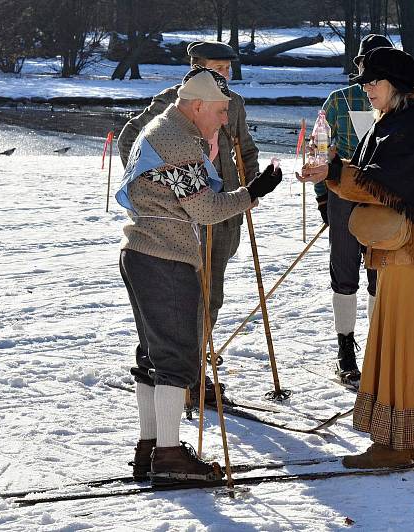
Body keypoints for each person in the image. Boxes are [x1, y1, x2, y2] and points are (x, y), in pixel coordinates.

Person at [117, 67, 282, 484]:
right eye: (221, 111)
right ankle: (169, 456)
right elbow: (205, 210)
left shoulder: (168, 127)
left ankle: (150, 447)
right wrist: (253, 193)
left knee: (153, 355)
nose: (226, 120)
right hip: (165, 256)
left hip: (141, 251)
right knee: (176, 357)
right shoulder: (176, 139)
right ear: (198, 106)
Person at [299, 47, 414, 469]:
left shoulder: (409, 126)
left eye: (374, 81)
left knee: (405, 345)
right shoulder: (399, 122)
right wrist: (331, 170)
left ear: (397, 85)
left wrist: (333, 172)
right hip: (410, 253)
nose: (367, 88)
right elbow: (373, 178)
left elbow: (380, 185)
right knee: (412, 342)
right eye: (365, 82)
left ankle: (401, 444)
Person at [118, 41, 259, 405]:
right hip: (178, 219)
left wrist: (250, 191)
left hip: (221, 209)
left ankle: (192, 368)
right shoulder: (171, 102)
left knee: (210, 294)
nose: (224, 76)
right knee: (175, 301)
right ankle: (179, 375)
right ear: (196, 68)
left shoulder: (234, 104)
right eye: (217, 69)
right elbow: (130, 139)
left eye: (228, 70)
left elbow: (245, 149)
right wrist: (152, 187)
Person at [314, 33, 393, 386]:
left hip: (383, 198)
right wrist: (322, 196)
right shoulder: (338, 101)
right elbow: (320, 152)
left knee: (380, 271)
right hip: (343, 196)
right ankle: (345, 347)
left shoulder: (398, 103)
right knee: (344, 272)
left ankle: (378, 346)